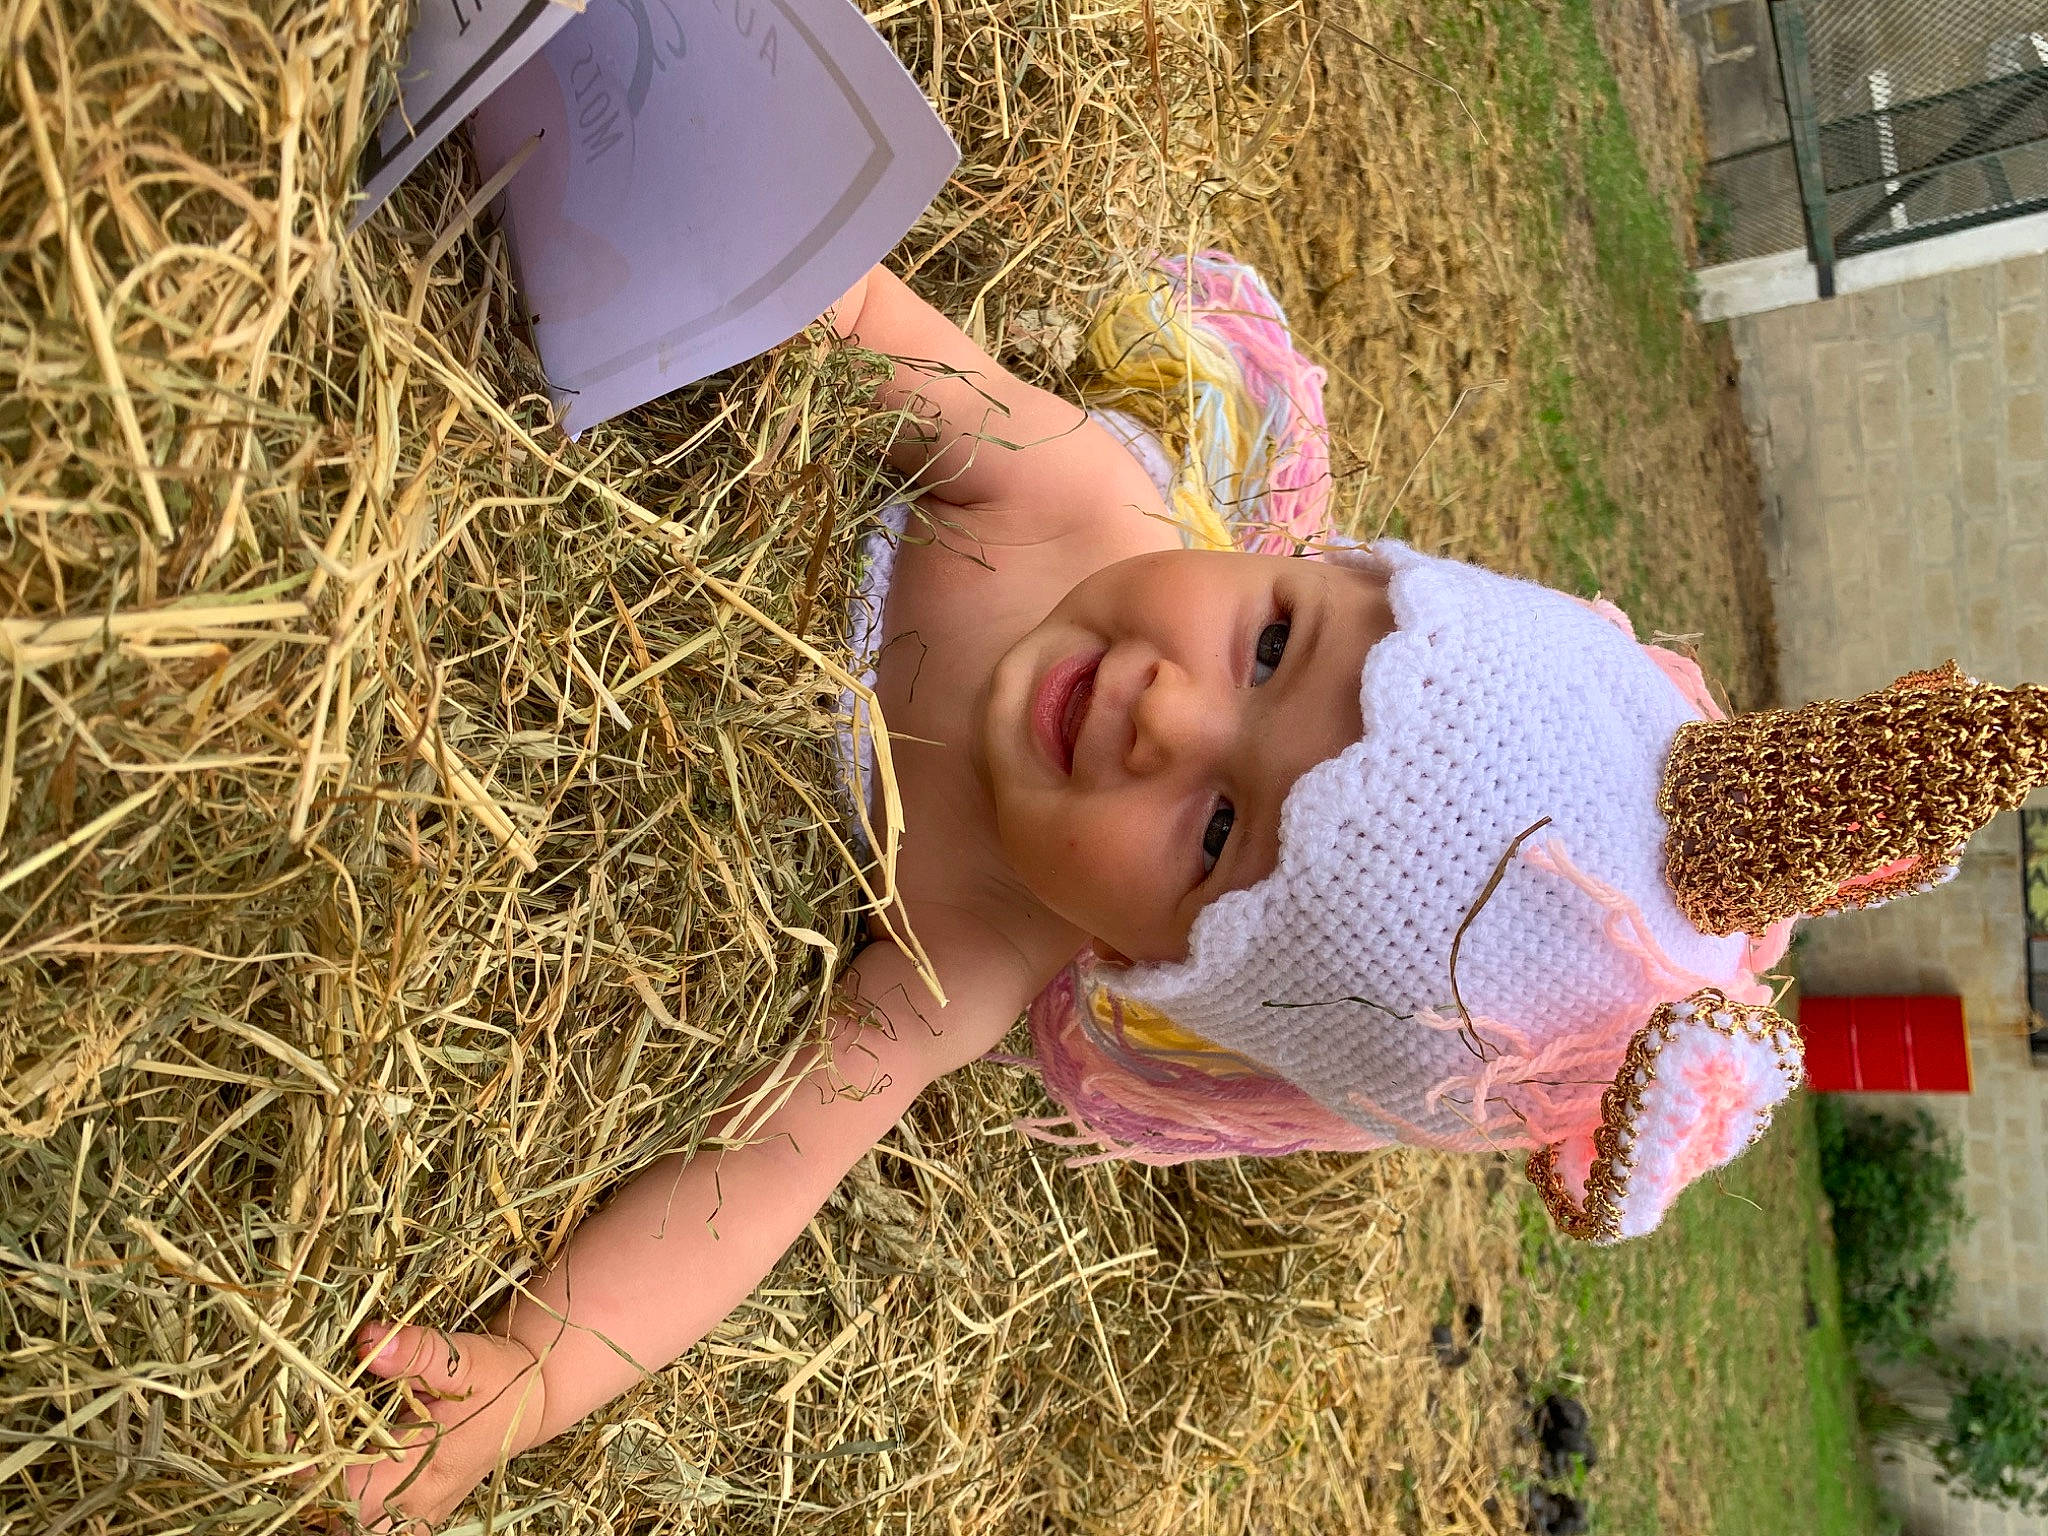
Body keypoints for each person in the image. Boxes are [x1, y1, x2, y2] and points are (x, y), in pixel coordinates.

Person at [330, 251, 2048, 1529]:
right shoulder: (1064, 494)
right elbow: (816, 280)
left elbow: (749, 1187)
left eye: (1216, 836)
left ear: (1169, 973)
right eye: (1275, 639)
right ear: (1309, 568)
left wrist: (532, 1380)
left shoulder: (980, 950)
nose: (1171, 709)